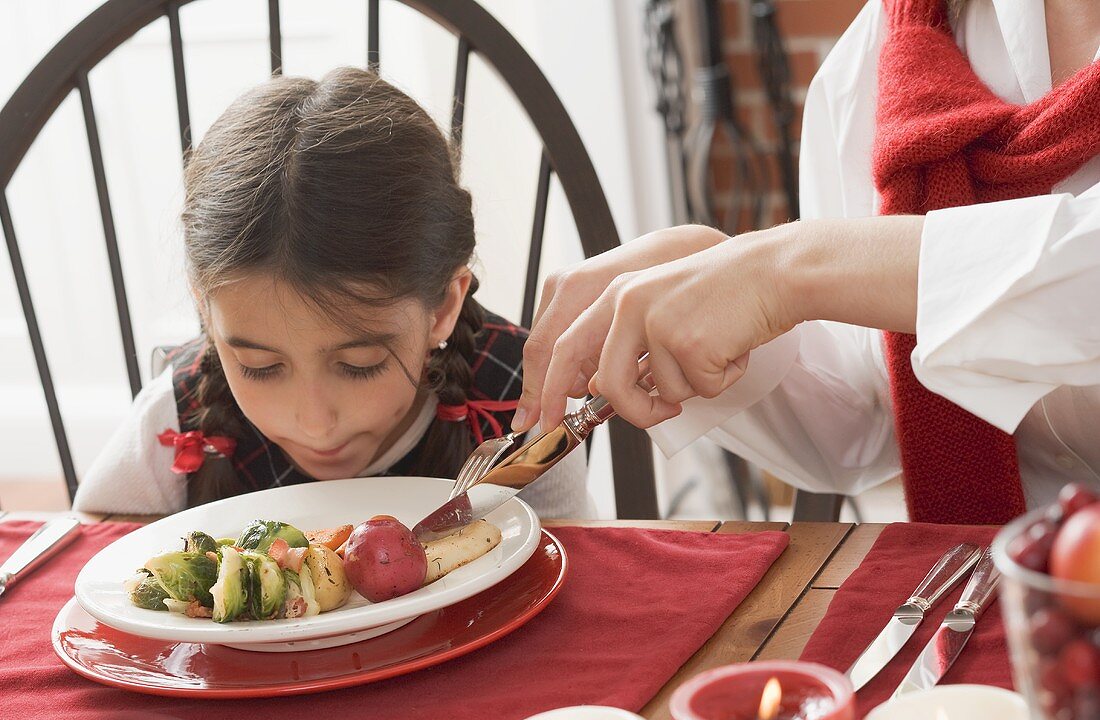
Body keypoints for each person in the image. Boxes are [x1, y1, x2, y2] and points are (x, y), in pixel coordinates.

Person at [513, 0, 1100, 524]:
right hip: (1006, 601)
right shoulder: (888, 47)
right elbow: (864, 425)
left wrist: (791, 269)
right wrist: (705, 266)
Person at [73, 67, 593, 518]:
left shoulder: (521, 400)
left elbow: (575, 566)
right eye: (259, 365)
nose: (315, 424)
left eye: (360, 363)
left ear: (443, 305)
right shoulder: (182, 415)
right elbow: (93, 551)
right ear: (206, 313)